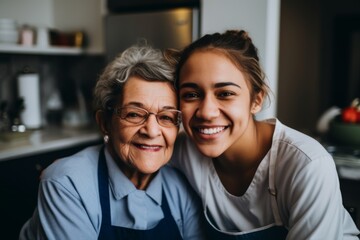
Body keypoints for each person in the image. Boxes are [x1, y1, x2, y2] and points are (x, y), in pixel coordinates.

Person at [167, 30, 360, 239]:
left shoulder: (307, 164)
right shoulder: (181, 152)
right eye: (191, 95)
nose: (206, 112)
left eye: (225, 94)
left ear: (256, 100)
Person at [19, 44, 206, 240]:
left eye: (166, 117)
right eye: (134, 114)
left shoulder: (181, 187)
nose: (152, 131)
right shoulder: (66, 185)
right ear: (105, 123)